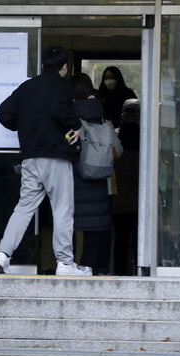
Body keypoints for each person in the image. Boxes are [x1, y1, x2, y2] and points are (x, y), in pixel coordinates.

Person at [0, 46, 91, 277]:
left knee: (24, 208)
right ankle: (65, 263)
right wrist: (76, 124)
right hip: (56, 157)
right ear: (64, 67)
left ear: (43, 65)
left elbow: (3, 113)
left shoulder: (27, 86)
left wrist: (26, 127)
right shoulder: (62, 86)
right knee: (62, 209)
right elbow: (58, 110)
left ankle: (3, 254)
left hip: (31, 159)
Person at [71, 73, 118, 275]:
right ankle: (88, 265)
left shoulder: (69, 115)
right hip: (99, 179)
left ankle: (67, 264)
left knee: (67, 223)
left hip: (74, 178)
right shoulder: (103, 118)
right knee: (96, 225)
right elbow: (118, 150)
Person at [112, 99, 140, 276]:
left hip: (118, 201)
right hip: (137, 202)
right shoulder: (145, 140)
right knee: (139, 241)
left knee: (120, 242)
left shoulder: (115, 138)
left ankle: (120, 273)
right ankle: (139, 270)